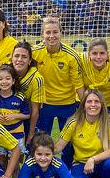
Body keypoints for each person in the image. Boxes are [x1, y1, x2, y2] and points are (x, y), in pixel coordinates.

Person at [55, 89, 110, 178]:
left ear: (102, 105)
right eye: (89, 101)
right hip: (81, 164)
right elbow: (58, 147)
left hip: (102, 164)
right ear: (83, 105)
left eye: (97, 101)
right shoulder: (73, 122)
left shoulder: (109, 122)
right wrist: (38, 152)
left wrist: (93, 159)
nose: (93, 105)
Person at [33, 17, 84, 163]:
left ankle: (66, 172)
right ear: (42, 34)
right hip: (44, 105)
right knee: (41, 141)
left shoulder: (71, 55)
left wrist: (85, 106)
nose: (51, 36)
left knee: (68, 143)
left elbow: (79, 85)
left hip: (67, 105)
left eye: (55, 32)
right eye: (48, 32)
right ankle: (40, 173)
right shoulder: (35, 53)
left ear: (61, 33)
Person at [8, 41, 45, 144]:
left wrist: (31, 134)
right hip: (7, 116)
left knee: (27, 149)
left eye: (24, 57)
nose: (19, 60)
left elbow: (35, 110)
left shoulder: (37, 79)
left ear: (29, 61)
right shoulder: (4, 72)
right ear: (12, 58)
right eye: (16, 56)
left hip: (27, 119)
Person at [82, 38, 110, 112]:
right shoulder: (82, 61)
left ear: (107, 54)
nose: (98, 57)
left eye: (102, 53)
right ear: (89, 54)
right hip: (89, 102)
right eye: (94, 53)